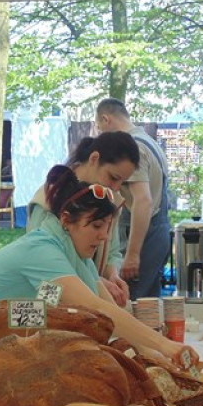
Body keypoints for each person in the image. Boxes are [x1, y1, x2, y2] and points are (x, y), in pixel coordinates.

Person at [0, 164, 198, 370]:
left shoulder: (77, 255)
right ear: (67, 220)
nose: (104, 237)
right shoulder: (41, 250)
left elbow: (109, 312)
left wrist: (155, 355)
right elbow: (96, 308)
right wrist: (167, 346)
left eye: (107, 227)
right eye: (97, 226)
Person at [26, 131, 139, 306]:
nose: (115, 188)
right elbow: (43, 274)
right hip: (38, 305)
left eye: (121, 182)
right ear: (65, 219)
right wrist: (96, 287)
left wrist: (112, 275)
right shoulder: (48, 202)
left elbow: (110, 254)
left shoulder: (109, 200)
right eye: (113, 177)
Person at [95, 97, 172, 299]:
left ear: (105, 119)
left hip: (143, 235)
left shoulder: (132, 148)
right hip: (159, 231)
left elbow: (143, 201)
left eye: (99, 127)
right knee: (149, 305)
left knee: (133, 302)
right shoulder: (150, 141)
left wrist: (133, 254)